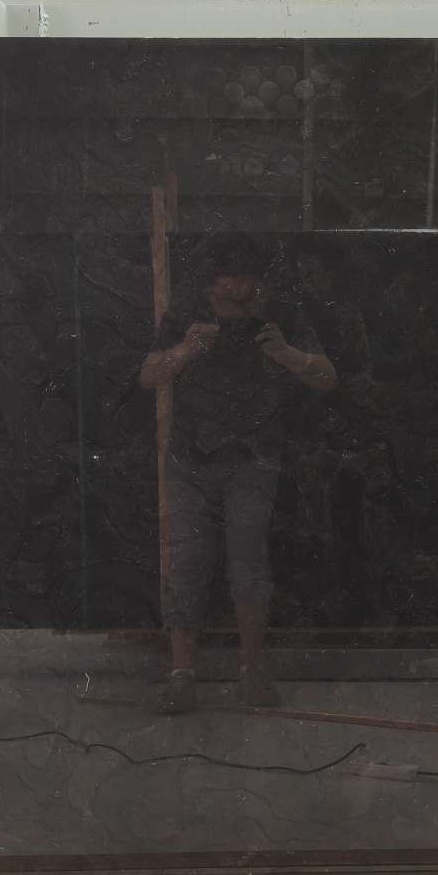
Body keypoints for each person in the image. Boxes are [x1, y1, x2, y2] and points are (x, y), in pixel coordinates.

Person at [138, 240, 336, 713]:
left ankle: (251, 671)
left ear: (259, 285)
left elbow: (328, 378)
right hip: (190, 460)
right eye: (225, 284)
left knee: (248, 564)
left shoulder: (279, 317)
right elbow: (148, 376)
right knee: (186, 563)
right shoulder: (187, 314)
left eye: (245, 284)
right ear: (212, 284)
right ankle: (182, 674)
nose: (235, 293)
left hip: (253, 458)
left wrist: (287, 354)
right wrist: (186, 349)